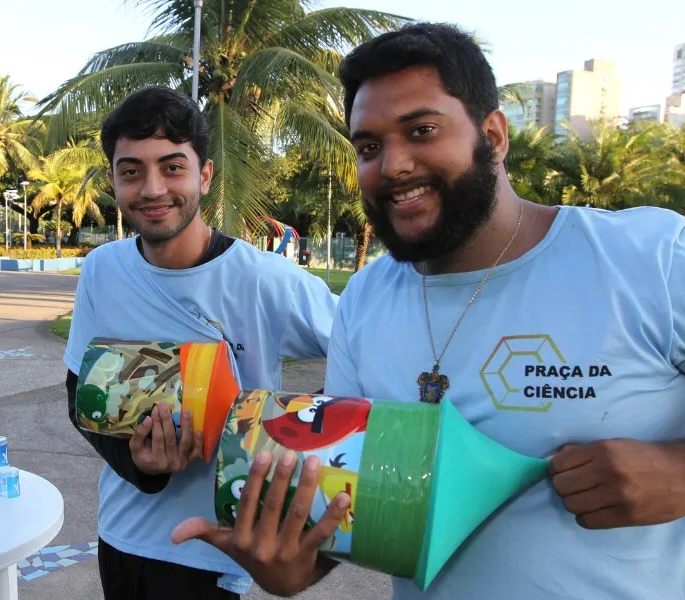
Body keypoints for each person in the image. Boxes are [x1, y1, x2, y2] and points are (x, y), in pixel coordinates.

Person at [172, 21, 685, 599]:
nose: (392, 165)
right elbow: (344, 513)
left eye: (421, 130)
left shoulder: (651, 259)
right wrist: (286, 567)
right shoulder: (364, 300)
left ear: (492, 135)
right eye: (369, 147)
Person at [63, 84, 340, 599]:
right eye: (131, 171)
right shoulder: (103, 269)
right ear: (112, 180)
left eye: (172, 167)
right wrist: (140, 466)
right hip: (121, 538)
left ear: (204, 175)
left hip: (213, 553)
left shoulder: (265, 279)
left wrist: (285, 439)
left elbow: (361, 346)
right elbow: (79, 391)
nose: (151, 189)